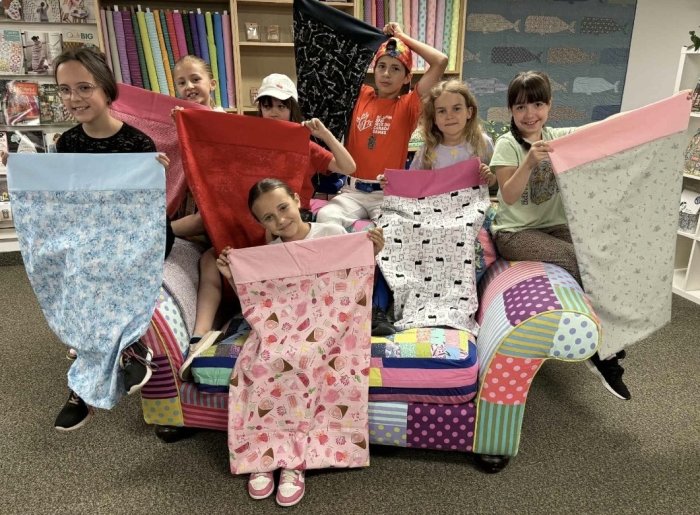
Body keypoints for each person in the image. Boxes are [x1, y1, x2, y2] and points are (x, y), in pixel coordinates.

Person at [215, 178, 384, 507]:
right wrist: (234, 276)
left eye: (283, 207)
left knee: (306, 362)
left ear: (296, 199)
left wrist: (370, 251)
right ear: (261, 223)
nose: (280, 220)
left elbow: (350, 286)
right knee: (260, 365)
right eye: (268, 217)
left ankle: (295, 460)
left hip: (330, 329)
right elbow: (260, 306)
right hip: (283, 332)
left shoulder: (331, 234)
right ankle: (264, 454)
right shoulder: (268, 255)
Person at [180, 74, 358, 372]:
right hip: (249, 223)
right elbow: (211, 145)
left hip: (288, 230)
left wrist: (324, 134)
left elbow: (348, 167)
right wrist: (186, 120)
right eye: (267, 105)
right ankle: (199, 338)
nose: (274, 112)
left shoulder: (302, 144)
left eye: (281, 105)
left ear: (292, 109)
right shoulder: (245, 140)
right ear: (259, 108)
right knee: (212, 260)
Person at [489, 70, 630, 401]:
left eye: (537, 104)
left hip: (553, 226)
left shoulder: (557, 137)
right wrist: (528, 162)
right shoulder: (507, 144)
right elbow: (508, 195)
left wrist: (661, 110)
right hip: (514, 233)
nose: (530, 114)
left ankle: (609, 328)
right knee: (572, 258)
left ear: (550, 105)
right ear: (511, 110)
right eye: (521, 107)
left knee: (599, 253)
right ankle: (603, 355)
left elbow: (603, 130)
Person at [50, 47, 170, 431]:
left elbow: (147, 216)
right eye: (65, 90)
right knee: (73, 270)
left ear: (105, 88)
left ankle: (99, 375)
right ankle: (116, 362)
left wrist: (155, 177)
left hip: (139, 234)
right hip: (94, 236)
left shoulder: (139, 144)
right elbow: (69, 207)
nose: (74, 98)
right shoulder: (67, 144)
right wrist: (27, 176)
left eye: (84, 87)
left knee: (97, 269)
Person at [316, 22, 448, 228]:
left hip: (387, 194)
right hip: (352, 192)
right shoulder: (360, 94)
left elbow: (440, 61)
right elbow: (334, 60)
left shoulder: (409, 105)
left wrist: (402, 37)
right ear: (374, 69)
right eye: (382, 66)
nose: (386, 74)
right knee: (325, 217)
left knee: (394, 229)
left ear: (407, 77)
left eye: (395, 68)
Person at [408, 79, 495, 183]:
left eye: (456, 109)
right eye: (442, 111)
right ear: (434, 118)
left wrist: (491, 178)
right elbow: (412, 181)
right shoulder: (427, 150)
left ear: (469, 112)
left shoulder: (483, 143)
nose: (449, 116)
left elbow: (498, 179)